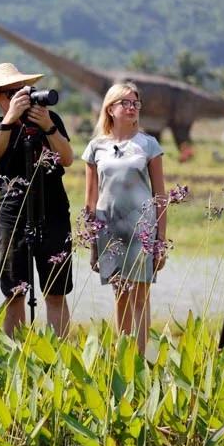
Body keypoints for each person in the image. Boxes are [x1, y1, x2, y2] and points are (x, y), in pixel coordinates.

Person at [0, 62, 74, 337]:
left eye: (21, 90)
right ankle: (16, 358)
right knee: (15, 293)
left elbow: (67, 158)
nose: (17, 97)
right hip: (13, 214)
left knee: (55, 291)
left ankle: (59, 360)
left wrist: (48, 127)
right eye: (9, 93)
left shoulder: (49, 120)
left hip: (52, 210)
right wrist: (10, 120)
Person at [82, 82, 167, 355]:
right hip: (109, 229)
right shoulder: (96, 147)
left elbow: (161, 197)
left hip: (141, 229)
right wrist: (93, 244)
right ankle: (123, 359)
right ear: (110, 108)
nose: (132, 108)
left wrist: (160, 243)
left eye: (135, 103)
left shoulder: (148, 144)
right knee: (120, 295)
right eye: (125, 103)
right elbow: (90, 200)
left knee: (140, 296)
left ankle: (141, 361)